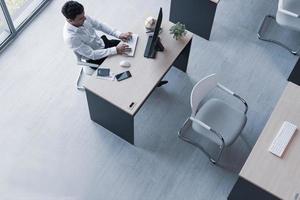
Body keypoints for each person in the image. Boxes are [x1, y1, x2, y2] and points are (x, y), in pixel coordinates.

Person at [62, 1, 168, 87]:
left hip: (104, 44)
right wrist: (116, 50)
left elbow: (100, 25)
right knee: (124, 72)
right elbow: (92, 54)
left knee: (133, 48)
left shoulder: (82, 17)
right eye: (81, 18)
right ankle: (145, 85)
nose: (85, 18)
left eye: (84, 15)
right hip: (96, 58)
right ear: (70, 20)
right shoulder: (71, 38)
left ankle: (154, 81)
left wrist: (119, 34)